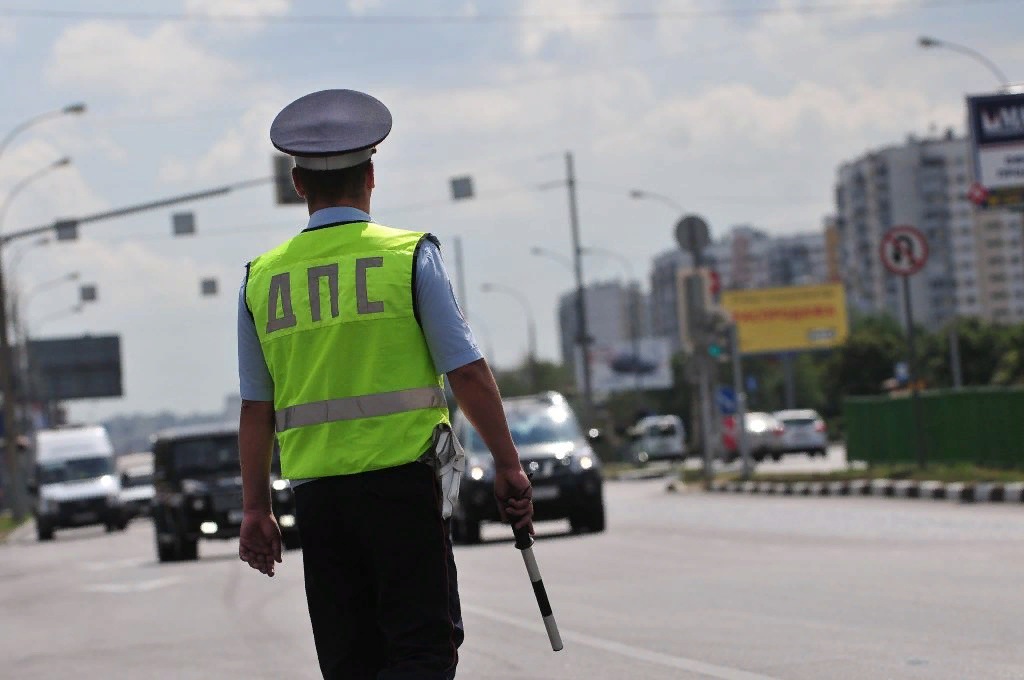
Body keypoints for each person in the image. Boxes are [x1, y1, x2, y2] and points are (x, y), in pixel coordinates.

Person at [235, 88, 534, 680]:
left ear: (297, 184)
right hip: (404, 490)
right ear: (371, 175)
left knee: (349, 661)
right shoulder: (409, 257)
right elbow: (467, 372)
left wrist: (255, 509)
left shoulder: (262, 279)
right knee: (422, 649)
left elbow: (255, 410)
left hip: (319, 498)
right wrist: (508, 465)